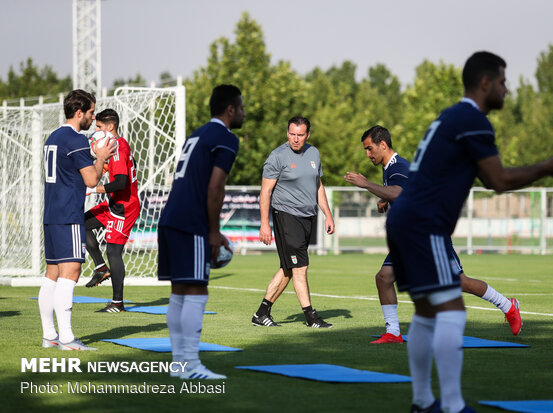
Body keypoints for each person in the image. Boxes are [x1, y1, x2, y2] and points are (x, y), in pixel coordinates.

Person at [385, 51, 553, 413]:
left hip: (405, 218)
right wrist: (547, 167)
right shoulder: (472, 119)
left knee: (428, 312)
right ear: (486, 83)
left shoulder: (449, 116)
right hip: (423, 222)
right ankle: (453, 406)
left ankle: (422, 402)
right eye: (504, 82)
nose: (508, 90)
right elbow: (498, 180)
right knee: (452, 311)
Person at [345, 125, 522, 344]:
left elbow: (400, 193)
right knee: (384, 277)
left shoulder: (398, 166)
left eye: (369, 149)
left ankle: (508, 306)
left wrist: (366, 184)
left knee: (460, 283)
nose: (367, 154)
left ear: (383, 144)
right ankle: (393, 332)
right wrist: (384, 199)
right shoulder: (390, 168)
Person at [158, 84, 245, 380]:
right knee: (196, 289)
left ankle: (179, 363)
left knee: (179, 292)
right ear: (230, 110)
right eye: (241, 107)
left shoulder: (196, 134)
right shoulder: (225, 137)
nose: (244, 113)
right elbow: (215, 187)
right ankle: (191, 366)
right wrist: (213, 231)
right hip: (191, 222)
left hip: (170, 217)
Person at [39, 89, 116, 351]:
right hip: (69, 215)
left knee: (52, 274)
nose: (93, 117)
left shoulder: (54, 137)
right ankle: (68, 339)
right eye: (92, 112)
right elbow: (92, 181)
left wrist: (94, 160)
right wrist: (102, 159)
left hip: (51, 215)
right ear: (79, 112)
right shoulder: (75, 139)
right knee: (70, 273)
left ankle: (50, 336)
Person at [252, 116, 335, 328]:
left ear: (307, 135)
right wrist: (264, 224)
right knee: (300, 267)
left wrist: (328, 214)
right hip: (286, 216)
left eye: (300, 135)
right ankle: (311, 317)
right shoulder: (277, 156)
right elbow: (265, 192)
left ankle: (261, 313)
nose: (295, 139)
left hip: (307, 218)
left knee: (289, 269)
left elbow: (318, 185)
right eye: (291, 134)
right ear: (287, 132)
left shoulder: (314, 153)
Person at [83, 109, 140, 313]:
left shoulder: (119, 148)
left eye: (98, 127)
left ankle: (117, 303)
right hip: (113, 203)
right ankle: (100, 268)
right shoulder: (118, 145)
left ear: (109, 127)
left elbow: (122, 182)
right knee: (81, 224)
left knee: (113, 251)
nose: (95, 130)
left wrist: (94, 189)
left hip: (125, 208)